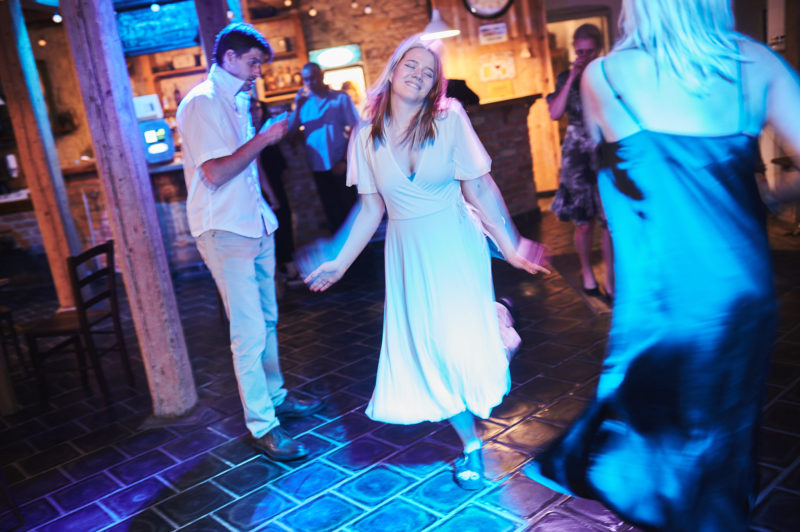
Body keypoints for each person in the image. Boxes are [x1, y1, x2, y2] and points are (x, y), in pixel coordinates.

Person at [525, 1, 800, 529]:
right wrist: (764, 195)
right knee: (725, 433)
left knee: (655, 432)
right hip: (744, 288)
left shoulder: (605, 76)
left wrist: (613, 266)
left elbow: (619, 190)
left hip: (665, 291)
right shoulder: (758, 63)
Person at [304, 34, 547, 490]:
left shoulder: (448, 118)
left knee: (458, 347)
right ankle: (471, 442)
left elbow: (480, 186)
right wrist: (339, 262)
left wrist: (511, 244)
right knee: (432, 351)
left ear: (435, 84)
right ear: (393, 70)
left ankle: (495, 329)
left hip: (455, 241)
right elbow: (370, 209)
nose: (418, 75)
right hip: (407, 253)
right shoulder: (366, 135)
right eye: (411, 66)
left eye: (428, 72)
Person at [176, 23, 323, 462]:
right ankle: (262, 425)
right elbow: (215, 172)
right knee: (248, 330)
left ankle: (275, 398)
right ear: (229, 58)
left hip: (254, 222)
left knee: (269, 319)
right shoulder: (202, 102)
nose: (259, 71)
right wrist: (265, 138)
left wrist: (267, 201)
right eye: (254, 62)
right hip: (224, 228)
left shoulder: (238, 100)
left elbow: (244, 166)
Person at [547, 23, 613, 302]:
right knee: (583, 222)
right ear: (574, 50)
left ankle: (610, 278)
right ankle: (587, 272)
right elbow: (554, 113)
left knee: (609, 221)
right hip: (576, 153)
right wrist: (573, 76)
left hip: (605, 148)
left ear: (599, 50)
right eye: (580, 52)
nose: (584, 56)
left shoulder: (608, 74)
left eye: (590, 51)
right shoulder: (565, 78)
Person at [288, 62, 361, 232]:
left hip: (341, 163)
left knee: (351, 211)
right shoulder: (304, 104)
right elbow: (290, 133)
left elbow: (356, 129)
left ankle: (363, 248)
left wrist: (344, 160)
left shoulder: (341, 98)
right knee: (332, 213)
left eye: (312, 78)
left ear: (321, 75)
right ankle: (340, 248)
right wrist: (297, 107)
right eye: (306, 79)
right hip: (318, 166)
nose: (310, 83)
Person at [250, 99, 302, 286]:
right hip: (264, 189)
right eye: (251, 109)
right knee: (277, 226)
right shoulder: (250, 135)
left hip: (275, 184)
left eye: (257, 108)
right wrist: (270, 193)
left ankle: (287, 268)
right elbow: (259, 169)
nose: (255, 112)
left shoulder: (266, 130)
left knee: (284, 222)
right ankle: (287, 269)